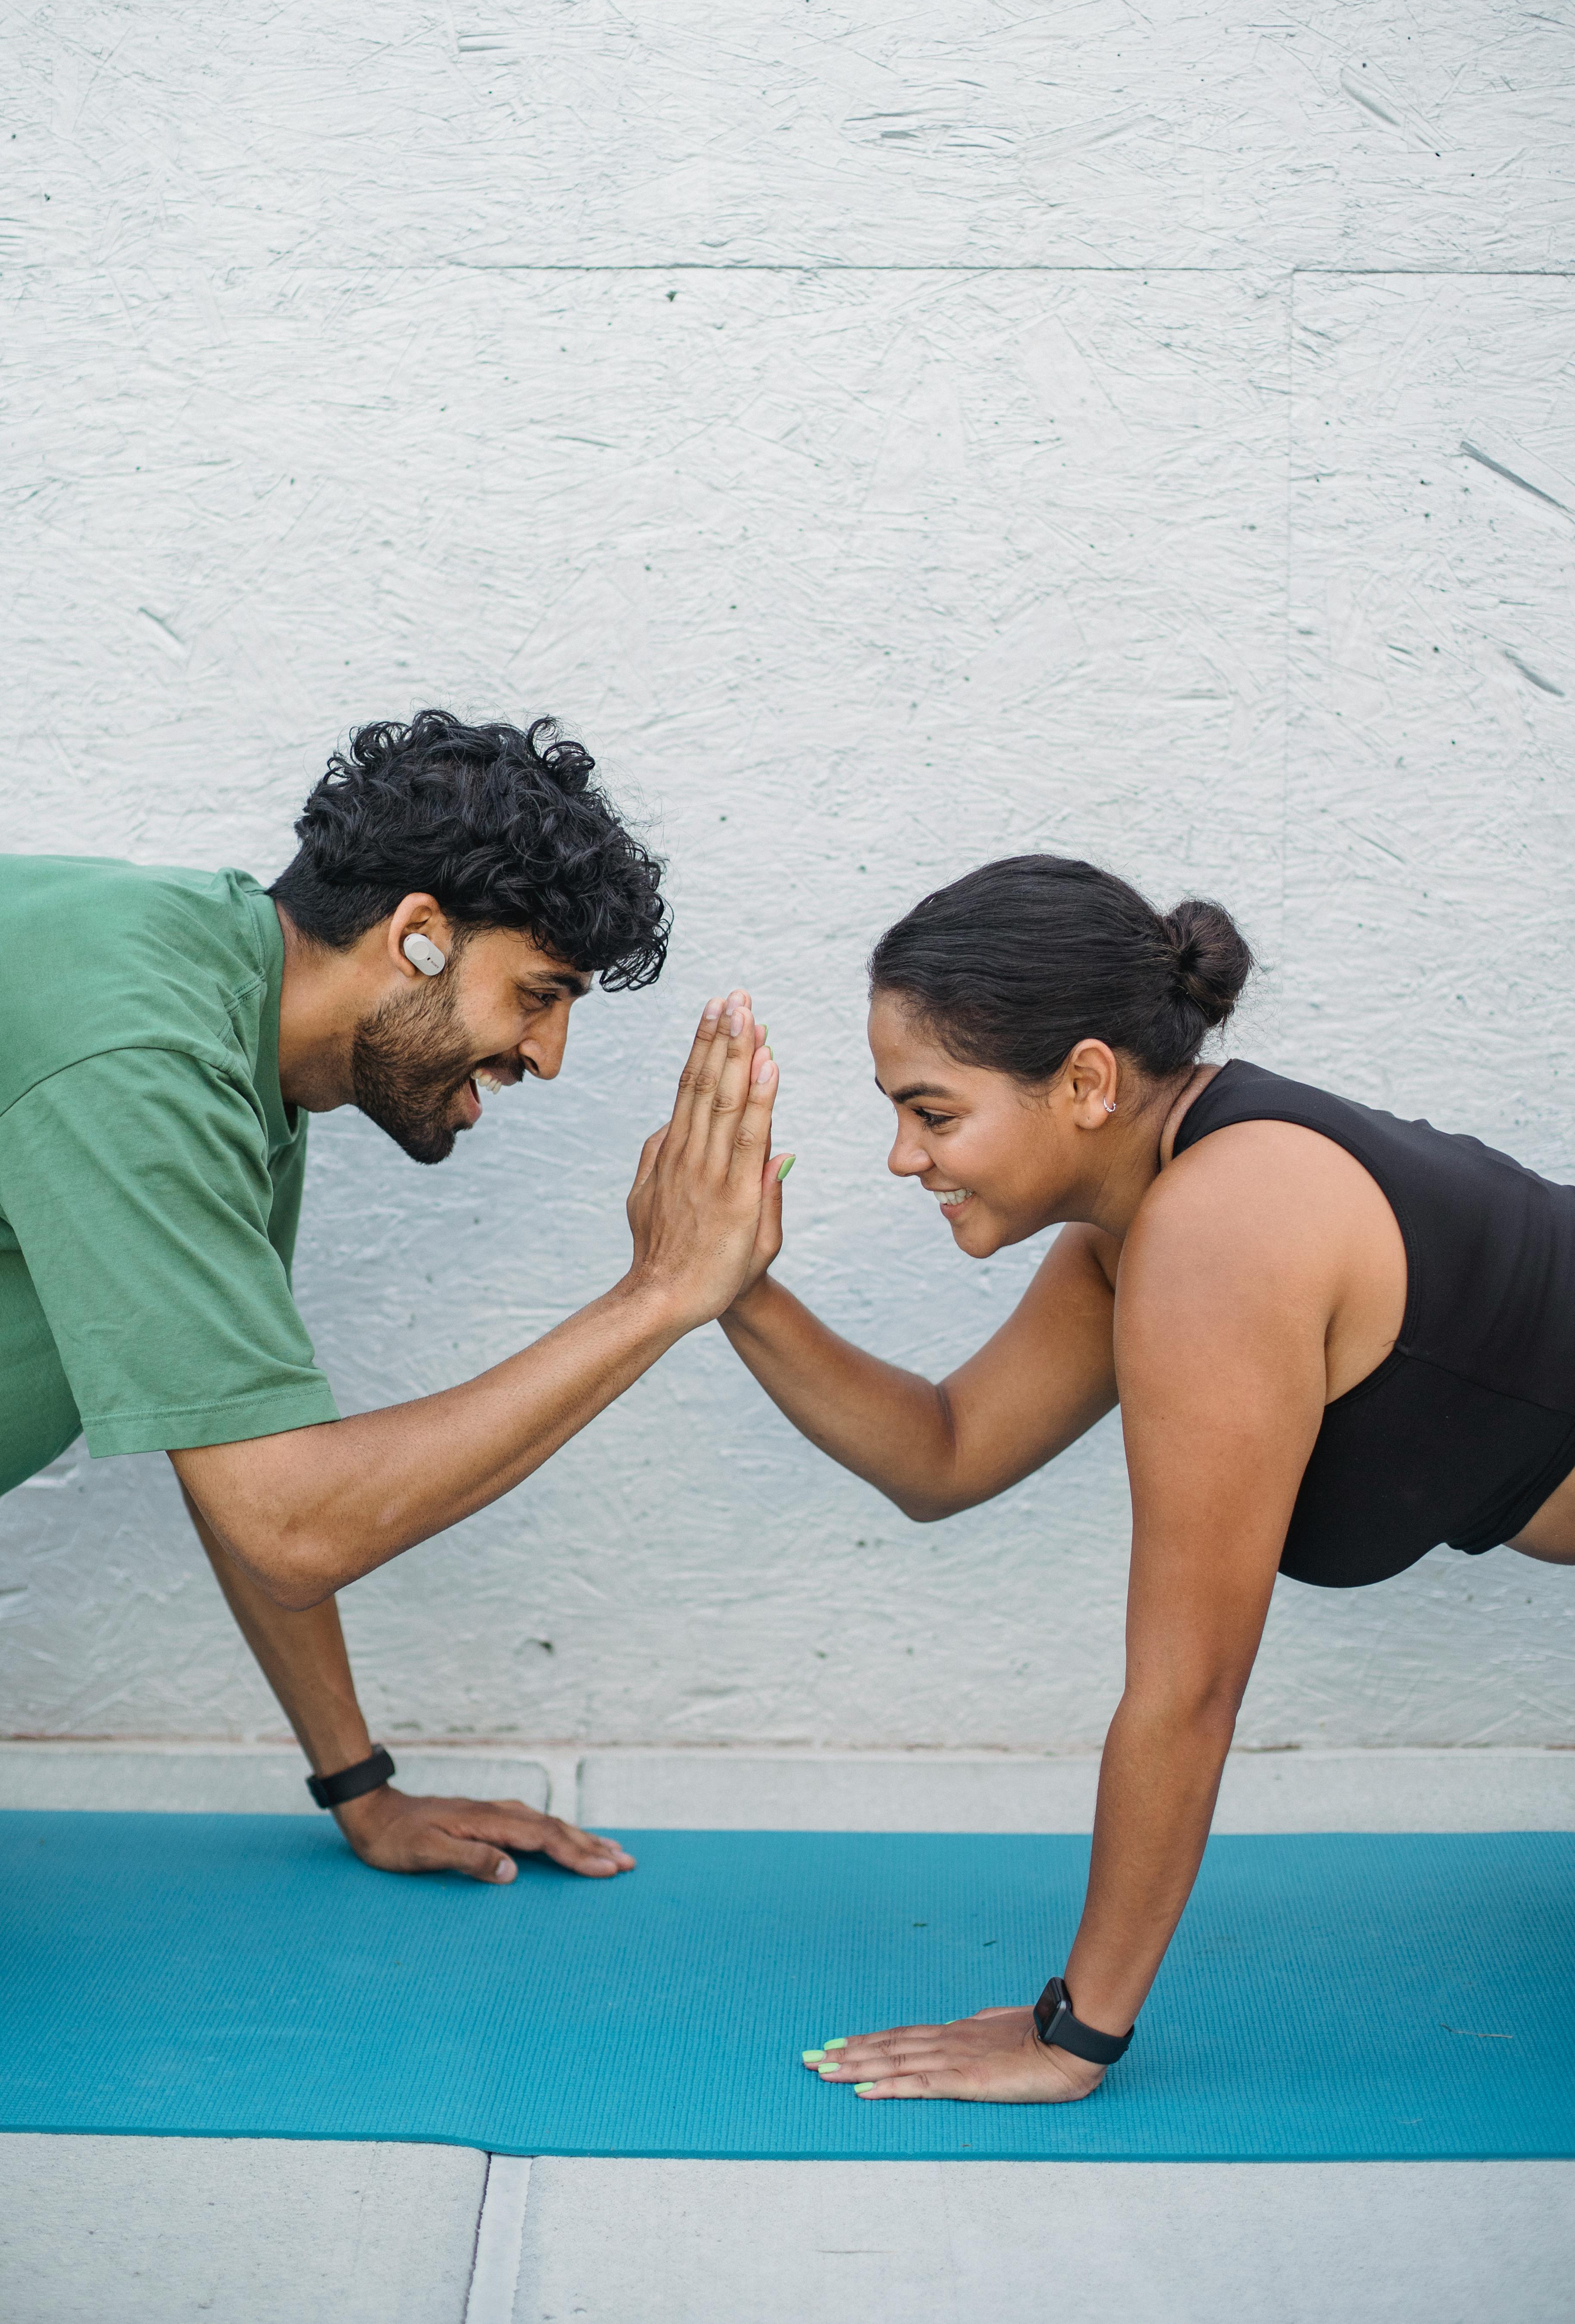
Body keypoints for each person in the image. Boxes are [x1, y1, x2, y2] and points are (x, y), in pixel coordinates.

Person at [718, 853, 1575, 2105]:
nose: (903, 1156)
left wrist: (1074, 2035)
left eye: (934, 1111)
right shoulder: (1147, 1220)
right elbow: (946, 1450)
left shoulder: (1221, 1228)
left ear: (1084, 1081)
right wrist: (728, 1288)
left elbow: (1189, 1688)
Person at [0, 710, 785, 1889]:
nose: (549, 1055)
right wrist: (660, 1294)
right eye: (536, 994)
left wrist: (360, 1789)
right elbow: (294, 1521)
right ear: (418, 937)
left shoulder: (230, 1026)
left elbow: (233, 1445)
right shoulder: (143, 1048)